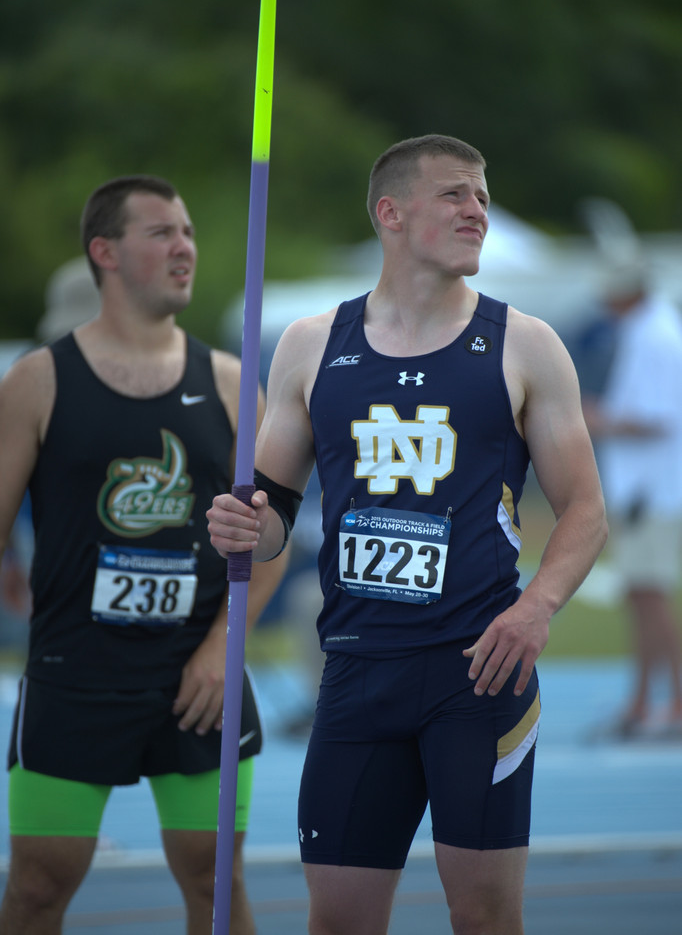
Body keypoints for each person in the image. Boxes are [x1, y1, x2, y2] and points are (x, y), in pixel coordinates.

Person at [207, 134, 608, 935]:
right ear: (391, 213)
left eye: (482, 196)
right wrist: (244, 526)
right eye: (456, 193)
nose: (477, 210)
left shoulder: (525, 344)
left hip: (478, 674)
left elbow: (585, 510)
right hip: (357, 671)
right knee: (340, 922)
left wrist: (536, 608)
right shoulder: (312, 344)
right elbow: (273, 509)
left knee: (483, 917)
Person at [0, 174, 288, 935]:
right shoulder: (36, 383)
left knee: (215, 882)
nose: (184, 247)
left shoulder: (233, 384)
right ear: (105, 252)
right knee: (36, 889)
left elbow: (270, 544)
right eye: (161, 232)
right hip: (74, 677)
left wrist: (223, 647)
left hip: (199, 679)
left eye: (187, 231)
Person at [582, 267, 682, 738]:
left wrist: (595, 418)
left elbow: (659, 416)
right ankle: (642, 702)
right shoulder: (649, 329)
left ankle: (674, 705)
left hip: (651, 492)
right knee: (642, 596)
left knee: (650, 596)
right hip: (647, 492)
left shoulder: (656, 337)